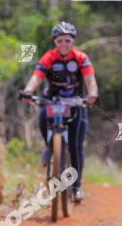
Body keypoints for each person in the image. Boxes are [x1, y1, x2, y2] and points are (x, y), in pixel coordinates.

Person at [18, 22, 98, 203]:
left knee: (76, 146)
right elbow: (37, 76)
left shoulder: (81, 58)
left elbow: (90, 80)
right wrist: (28, 91)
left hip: (77, 103)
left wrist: (92, 94)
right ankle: (49, 147)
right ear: (55, 42)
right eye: (60, 40)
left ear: (73, 42)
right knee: (43, 117)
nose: (64, 44)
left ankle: (77, 187)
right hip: (52, 101)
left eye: (67, 41)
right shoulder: (49, 57)